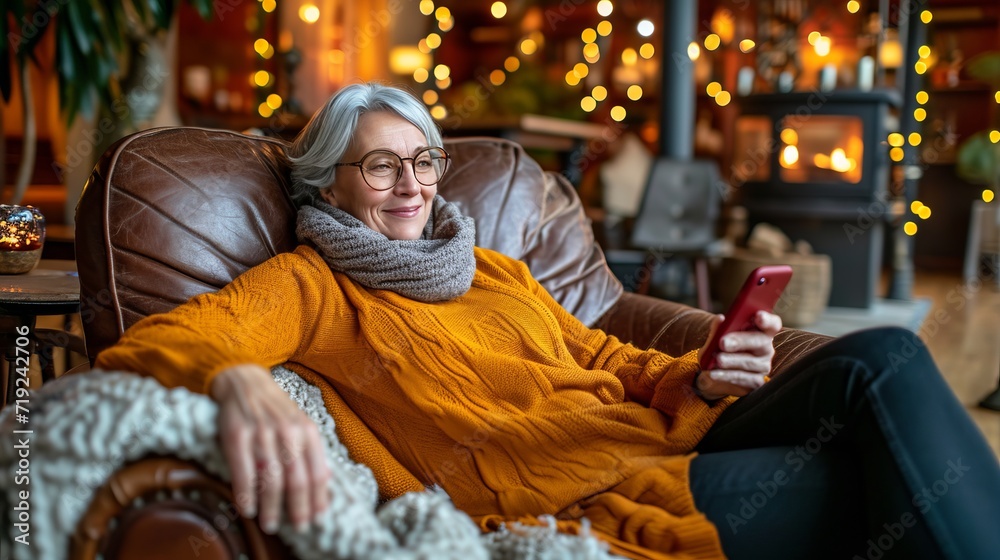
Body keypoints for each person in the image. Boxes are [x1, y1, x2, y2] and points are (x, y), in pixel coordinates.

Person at [95, 83, 1000, 559]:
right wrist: (238, 378)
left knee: (879, 356)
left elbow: (604, 352)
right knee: (887, 478)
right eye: (380, 169)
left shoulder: (490, 265)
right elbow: (164, 341)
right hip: (596, 494)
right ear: (325, 181)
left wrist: (702, 372)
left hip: (672, 430)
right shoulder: (310, 287)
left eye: (424, 161)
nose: (413, 188)